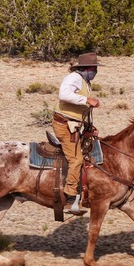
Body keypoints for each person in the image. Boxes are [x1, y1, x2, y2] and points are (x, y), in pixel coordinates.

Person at [52, 52, 101, 215]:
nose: (95, 71)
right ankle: (70, 198)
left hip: (73, 125)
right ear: (86, 68)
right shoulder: (73, 78)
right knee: (76, 159)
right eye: (94, 68)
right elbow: (64, 95)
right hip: (64, 124)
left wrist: (88, 126)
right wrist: (87, 100)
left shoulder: (84, 82)